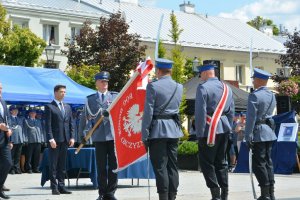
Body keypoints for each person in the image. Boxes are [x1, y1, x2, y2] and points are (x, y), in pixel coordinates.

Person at [141, 58, 183, 200]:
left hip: (158, 130)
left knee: (160, 167)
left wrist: (144, 134)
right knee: (172, 165)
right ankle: (173, 196)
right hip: (174, 129)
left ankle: (163, 197)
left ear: (158, 70)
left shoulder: (153, 86)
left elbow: (148, 113)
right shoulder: (179, 86)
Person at [194, 64, 234, 200]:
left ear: (205, 73)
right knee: (222, 162)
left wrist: (199, 133)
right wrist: (229, 127)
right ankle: (224, 194)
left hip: (208, 130)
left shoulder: (203, 88)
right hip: (224, 128)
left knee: (207, 163)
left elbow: (200, 113)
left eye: (200, 74)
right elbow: (231, 112)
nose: (200, 77)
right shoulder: (227, 88)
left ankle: (215, 194)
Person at [79, 71, 118, 200]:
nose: (104, 83)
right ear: (96, 83)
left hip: (112, 137)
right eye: (102, 81)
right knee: (101, 167)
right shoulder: (90, 99)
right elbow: (84, 118)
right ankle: (102, 193)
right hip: (99, 137)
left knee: (113, 167)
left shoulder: (115, 97)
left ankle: (111, 193)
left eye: (106, 81)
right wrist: (81, 135)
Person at [244, 68, 277, 200]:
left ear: (259, 80)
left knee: (259, 164)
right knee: (268, 162)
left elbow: (251, 118)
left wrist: (248, 135)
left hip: (258, 132)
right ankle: (270, 192)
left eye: (254, 79)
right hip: (268, 131)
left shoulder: (255, 95)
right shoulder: (271, 95)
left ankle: (265, 194)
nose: (253, 81)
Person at [45, 85, 74, 195]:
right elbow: (47, 125)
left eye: (65, 92)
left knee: (62, 165)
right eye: (61, 92)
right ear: (55, 93)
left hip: (65, 139)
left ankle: (62, 186)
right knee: (53, 165)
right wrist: (50, 139)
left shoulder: (67, 106)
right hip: (55, 140)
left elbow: (71, 123)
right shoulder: (49, 107)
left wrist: (72, 137)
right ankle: (54, 187)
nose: (63, 94)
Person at [0, 82, 13, 199]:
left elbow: (8, 120)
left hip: (4, 140)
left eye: (1, 88)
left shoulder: (3, 102)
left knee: (8, 163)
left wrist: (9, 131)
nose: (0, 90)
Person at [23, 108, 44, 173]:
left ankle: (36, 168)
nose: (33, 114)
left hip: (38, 140)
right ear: (29, 114)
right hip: (30, 140)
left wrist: (42, 139)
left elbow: (41, 131)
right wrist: (25, 139)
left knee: (36, 156)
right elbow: (25, 131)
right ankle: (28, 168)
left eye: (34, 113)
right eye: (31, 113)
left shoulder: (38, 121)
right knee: (29, 156)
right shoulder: (26, 121)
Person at [9, 105, 25, 175]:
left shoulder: (20, 119)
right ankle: (11, 169)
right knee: (12, 155)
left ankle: (17, 168)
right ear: (11, 111)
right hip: (13, 140)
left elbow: (22, 129)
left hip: (20, 139)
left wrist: (23, 139)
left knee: (18, 155)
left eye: (17, 110)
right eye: (14, 110)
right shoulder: (9, 119)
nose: (16, 111)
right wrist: (10, 140)